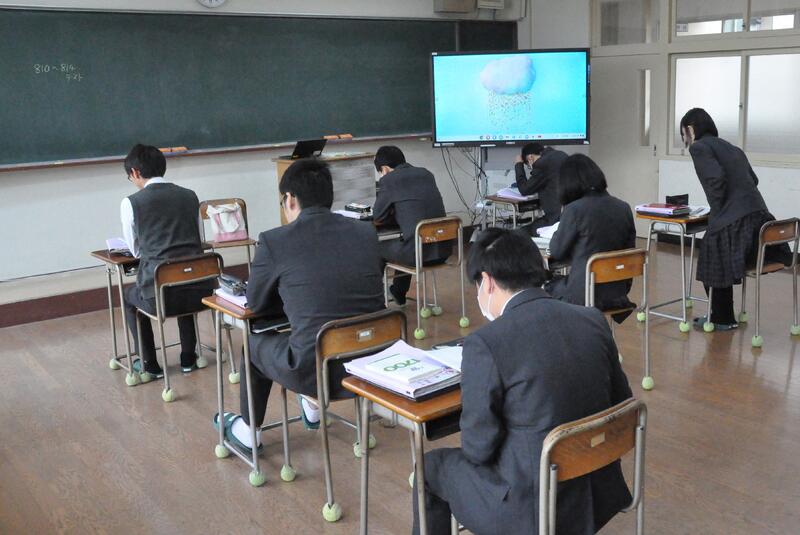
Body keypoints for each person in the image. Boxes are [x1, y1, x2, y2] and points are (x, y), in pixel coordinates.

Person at [413, 227, 633, 535]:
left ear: (487, 281)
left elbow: (477, 449)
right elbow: (622, 402)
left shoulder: (486, 343)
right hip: (599, 487)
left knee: (430, 468)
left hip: (532, 507)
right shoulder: (592, 318)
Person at [213, 158, 385, 450]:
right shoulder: (366, 232)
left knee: (254, 344)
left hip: (314, 368)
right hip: (372, 359)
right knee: (318, 329)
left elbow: (256, 302)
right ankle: (312, 407)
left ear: (290, 199)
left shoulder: (275, 241)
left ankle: (249, 431)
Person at [680, 108, 791, 330]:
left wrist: (718, 212)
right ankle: (723, 316)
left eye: (683, 134)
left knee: (710, 249)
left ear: (690, 130)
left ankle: (721, 318)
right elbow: (753, 180)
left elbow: (716, 181)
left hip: (738, 224)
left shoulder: (699, 147)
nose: (684, 141)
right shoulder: (733, 148)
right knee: (716, 243)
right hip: (762, 222)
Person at [121, 144, 212, 378]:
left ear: (135, 172)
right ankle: (188, 358)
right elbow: (198, 238)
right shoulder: (190, 196)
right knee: (183, 275)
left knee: (129, 297)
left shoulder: (131, 202)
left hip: (159, 298)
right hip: (200, 292)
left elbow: (136, 251)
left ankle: (149, 364)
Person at [545, 154, 637, 319]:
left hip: (584, 293)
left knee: (543, 287)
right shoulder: (624, 207)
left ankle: (561, 333)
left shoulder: (574, 210)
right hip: (618, 294)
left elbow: (557, 251)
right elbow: (629, 250)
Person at [372, 145, 451, 305]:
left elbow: (378, 216)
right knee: (410, 240)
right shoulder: (426, 174)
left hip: (417, 255)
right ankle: (398, 291)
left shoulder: (388, 180)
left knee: (376, 248)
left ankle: (374, 300)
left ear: (384, 169)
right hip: (443, 250)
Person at [514, 142, 567, 234]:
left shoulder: (542, 164)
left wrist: (519, 165)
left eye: (529, 166)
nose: (532, 168)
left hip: (556, 219)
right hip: (571, 214)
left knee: (520, 233)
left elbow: (524, 189)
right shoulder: (561, 155)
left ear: (530, 157)